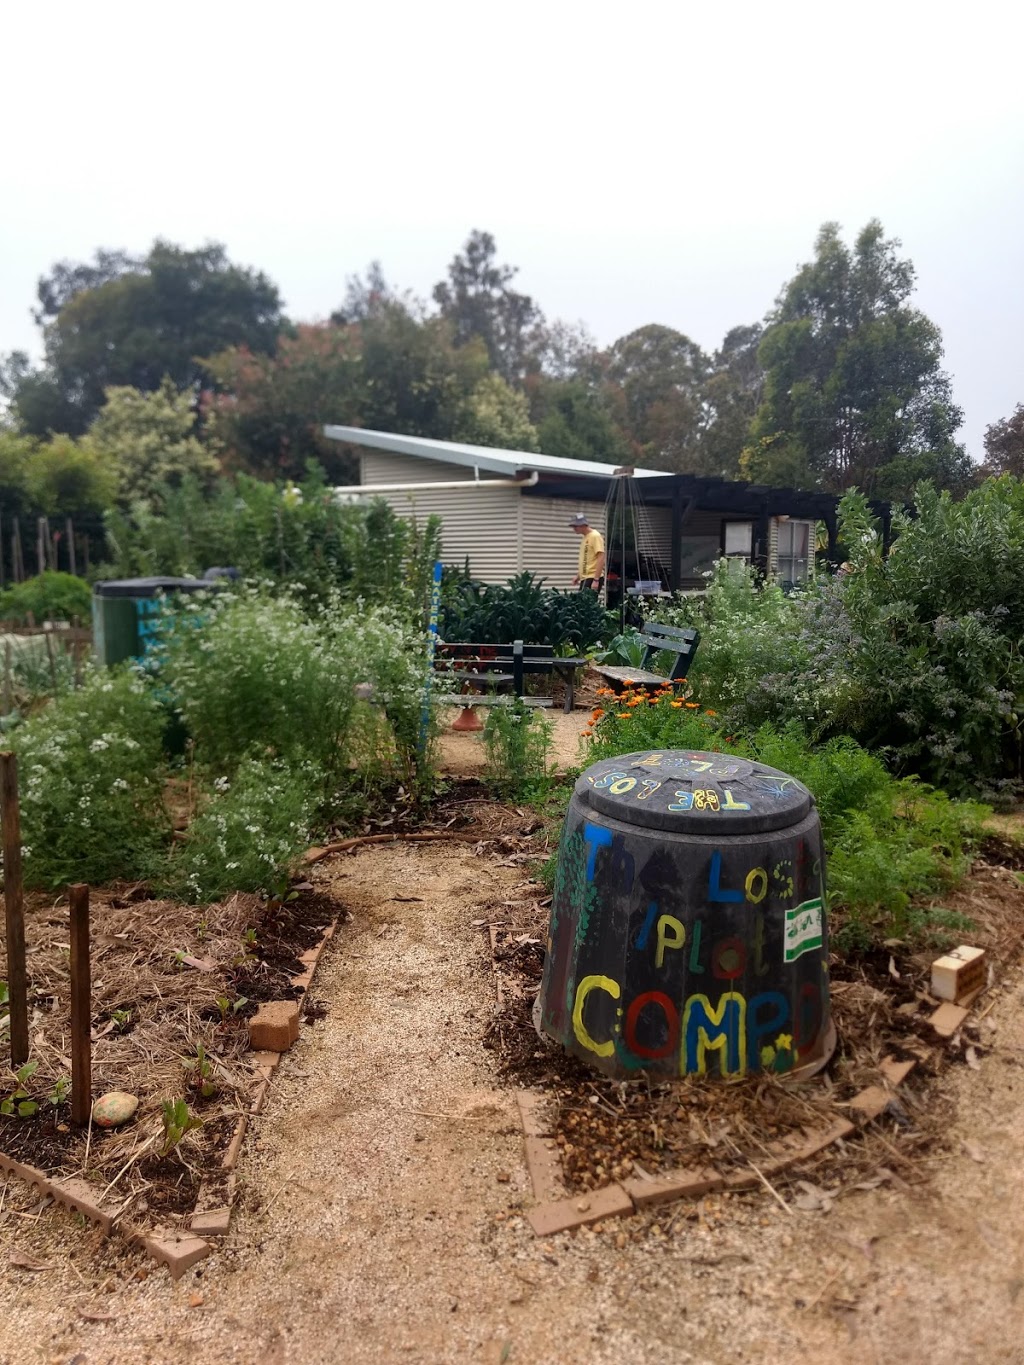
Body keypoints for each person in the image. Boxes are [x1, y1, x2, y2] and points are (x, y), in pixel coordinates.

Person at [569, 513, 605, 592]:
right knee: (580, 602)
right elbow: (586, 560)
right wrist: (578, 576)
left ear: (583, 525)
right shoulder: (585, 537)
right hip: (585, 577)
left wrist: (596, 580)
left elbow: (601, 557)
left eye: (575, 526)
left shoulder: (595, 536)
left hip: (592, 577)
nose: (574, 529)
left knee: (586, 603)